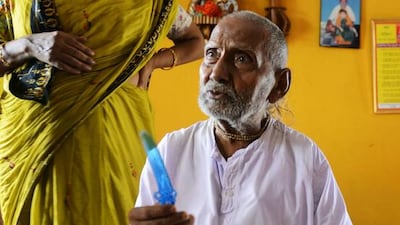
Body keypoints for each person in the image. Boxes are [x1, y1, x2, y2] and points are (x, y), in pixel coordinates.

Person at [130, 10, 353, 225]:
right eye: (211, 54)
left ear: (279, 85)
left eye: (241, 59)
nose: (217, 73)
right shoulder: (172, 150)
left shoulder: (304, 159)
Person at [0, 1, 204, 225]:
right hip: (37, 131)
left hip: (117, 127)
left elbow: (196, 41)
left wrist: (154, 62)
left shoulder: (149, 3)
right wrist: (29, 45)